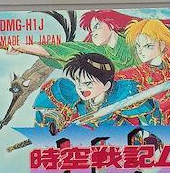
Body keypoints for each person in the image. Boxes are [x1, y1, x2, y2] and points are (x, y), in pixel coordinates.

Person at [8, 10, 170, 71]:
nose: (93, 33)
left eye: (96, 27)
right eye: (91, 29)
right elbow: (65, 50)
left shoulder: (135, 36)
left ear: (111, 25)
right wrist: (24, 48)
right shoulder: (99, 53)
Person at [33, 52, 161, 132]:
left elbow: (152, 111)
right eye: (78, 82)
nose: (81, 88)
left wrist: (154, 136)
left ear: (106, 85)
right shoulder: (71, 96)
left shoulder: (122, 94)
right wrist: (53, 122)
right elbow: (44, 118)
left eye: (88, 83)